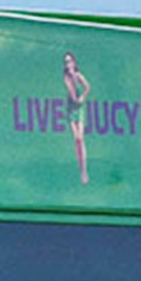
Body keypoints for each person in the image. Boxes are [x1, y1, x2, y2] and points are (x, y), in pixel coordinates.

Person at [63, 50, 91, 184]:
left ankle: (84, 171)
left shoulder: (79, 75)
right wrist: (76, 98)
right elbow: (72, 93)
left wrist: (82, 98)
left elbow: (87, 87)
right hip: (71, 108)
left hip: (79, 109)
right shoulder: (66, 77)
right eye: (66, 62)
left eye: (69, 61)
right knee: (76, 139)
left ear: (74, 62)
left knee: (81, 139)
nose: (67, 64)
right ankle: (81, 171)